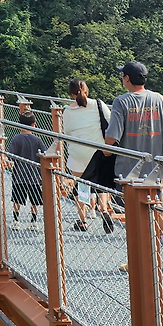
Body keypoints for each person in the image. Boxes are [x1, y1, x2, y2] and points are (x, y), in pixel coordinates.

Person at [105, 61, 163, 266]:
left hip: (128, 169)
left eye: (122, 76)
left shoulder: (121, 102)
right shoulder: (160, 99)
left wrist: (104, 148)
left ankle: (136, 259)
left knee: (132, 214)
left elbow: (112, 137)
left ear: (127, 78)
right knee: (158, 208)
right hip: (155, 166)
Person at [62, 79, 114, 233]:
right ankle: (104, 210)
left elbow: (68, 132)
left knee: (82, 184)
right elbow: (111, 123)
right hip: (98, 151)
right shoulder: (98, 104)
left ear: (71, 94)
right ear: (87, 90)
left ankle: (83, 221)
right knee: (101, 184)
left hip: (78, 153)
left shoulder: (67, 110)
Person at [6, 106, 45, 227]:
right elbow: (44, 154)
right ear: (34, 124)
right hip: (34, 176)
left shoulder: (16, 139)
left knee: (17, 199)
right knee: (34, 201)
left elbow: (10, 156)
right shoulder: (37, 140)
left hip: (19, 175)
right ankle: (33, 222)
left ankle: (16, 221)